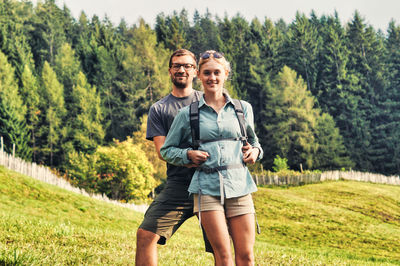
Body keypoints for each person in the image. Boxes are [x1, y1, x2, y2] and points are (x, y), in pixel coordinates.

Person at [161, 50, 263, 266]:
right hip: (206, 190)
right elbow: (167, 150)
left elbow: (255, 143)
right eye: (207, 73)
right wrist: (187, 154)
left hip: (240, 187)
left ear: (226, 73)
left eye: (217, 72)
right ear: (198, 75)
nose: (212, 78)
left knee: (246, 257)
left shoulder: (243, 109)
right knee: (223, 257)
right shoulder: (188, 114)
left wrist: (255, 152)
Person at [135, 49, 213, 266]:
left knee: (221, 244)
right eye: (177, 65)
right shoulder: (159, 109)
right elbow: (162, 152)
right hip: (179, 185)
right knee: (145, 235)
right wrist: (188, 156)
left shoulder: (208, 100)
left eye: (187, 66)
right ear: (170, 71)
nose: (182, 70)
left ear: (195, 72)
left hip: (210, 183)